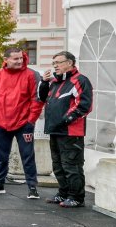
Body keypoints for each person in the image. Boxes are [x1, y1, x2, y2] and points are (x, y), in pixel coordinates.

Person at [0, 47, 44, 198]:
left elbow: (36, 100)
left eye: (21, 58)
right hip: (0, 124)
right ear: (6, 60)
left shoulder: (32, 75)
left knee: (27, 156)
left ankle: (32, 188)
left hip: (24, 124)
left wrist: (30, 121)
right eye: (15, 58)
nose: (19, 61)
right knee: (1, 157)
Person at [38, 51, 93, 208]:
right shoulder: (55, 81)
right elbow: (43, 99)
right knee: (58, 165)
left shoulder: (80, 80)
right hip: (55, 130)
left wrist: (65, 120)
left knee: (72, 165)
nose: (55, 65)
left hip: (71, 132)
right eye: (54, 62)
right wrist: (43, 82)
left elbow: (84, 105)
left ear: (70, 63)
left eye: (59, 62)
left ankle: (76, 197)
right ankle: (63, 193)